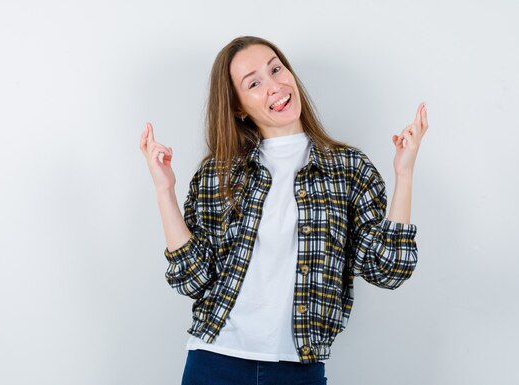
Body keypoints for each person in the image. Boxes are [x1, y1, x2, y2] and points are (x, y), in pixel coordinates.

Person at [139, 35, 428, 385]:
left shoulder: (348, 168)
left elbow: (388, 269)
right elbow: (192, 277)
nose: (275, 85)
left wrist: (405, 173)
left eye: (276, 69)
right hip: (215, 361)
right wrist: (164, 189)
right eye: (255, 83)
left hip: (299, 368)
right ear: (238, 107)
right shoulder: (219, 173)